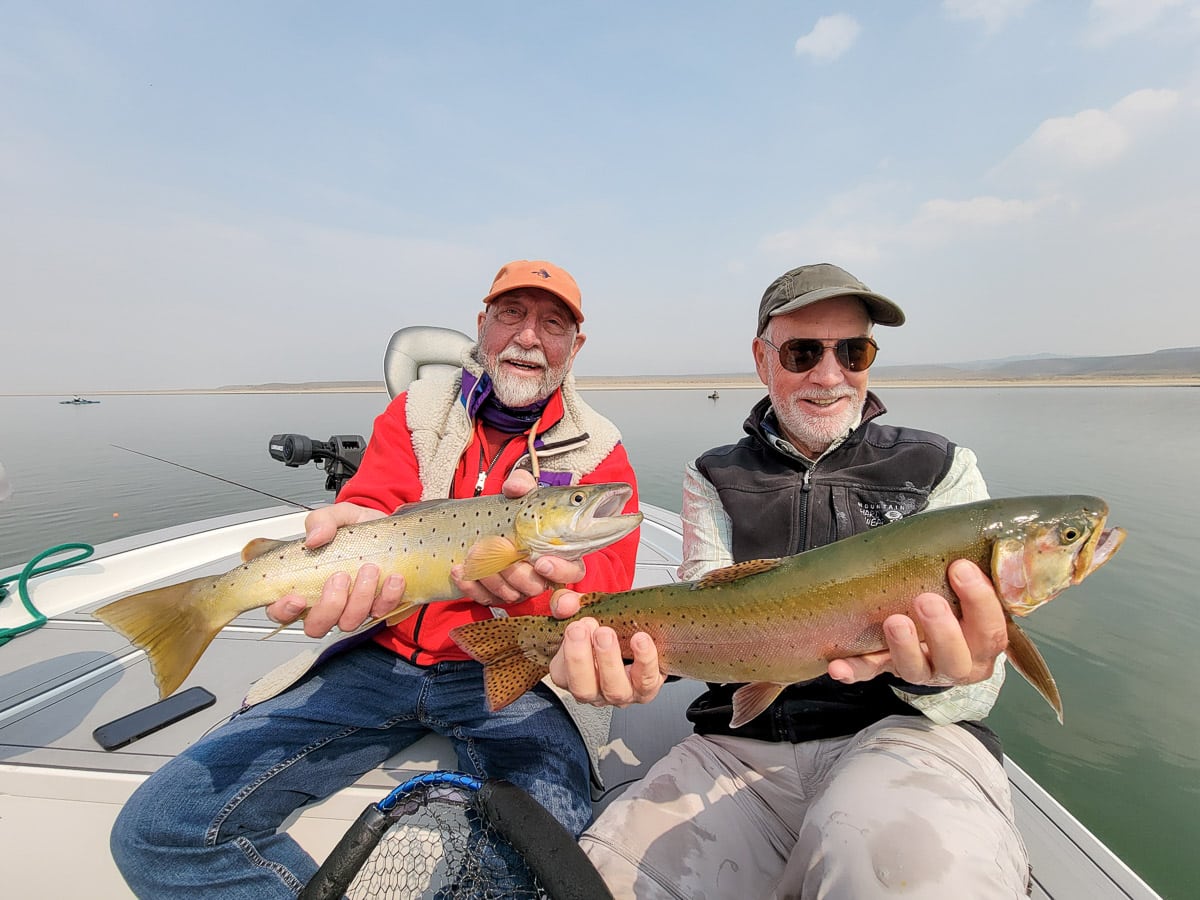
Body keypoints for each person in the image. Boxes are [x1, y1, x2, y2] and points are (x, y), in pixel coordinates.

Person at [110, 259, 641, 898]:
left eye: (552, 323)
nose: (529, 336)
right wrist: (344, 539)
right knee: (158, 831)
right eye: (511, 315)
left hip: (513, 676)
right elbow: (373, 506)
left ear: (574, 347)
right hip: (379, 659)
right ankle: (201, 609)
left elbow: (605, 592)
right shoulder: (415, 410)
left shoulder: (602, 452)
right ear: (483, 326)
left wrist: (553, 593)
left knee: (531, 862)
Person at [551, 263, 1030, 898]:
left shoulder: (940, 466)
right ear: (762, 359)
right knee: (602, 880)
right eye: (804, 352)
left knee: (899, 871)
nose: (829, 376)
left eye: (853, 351)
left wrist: (949, 676)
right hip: (739, 747)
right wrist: (633, 665)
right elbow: (706, 615)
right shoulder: (713, 475)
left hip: (904, 738)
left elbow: (975, 691)